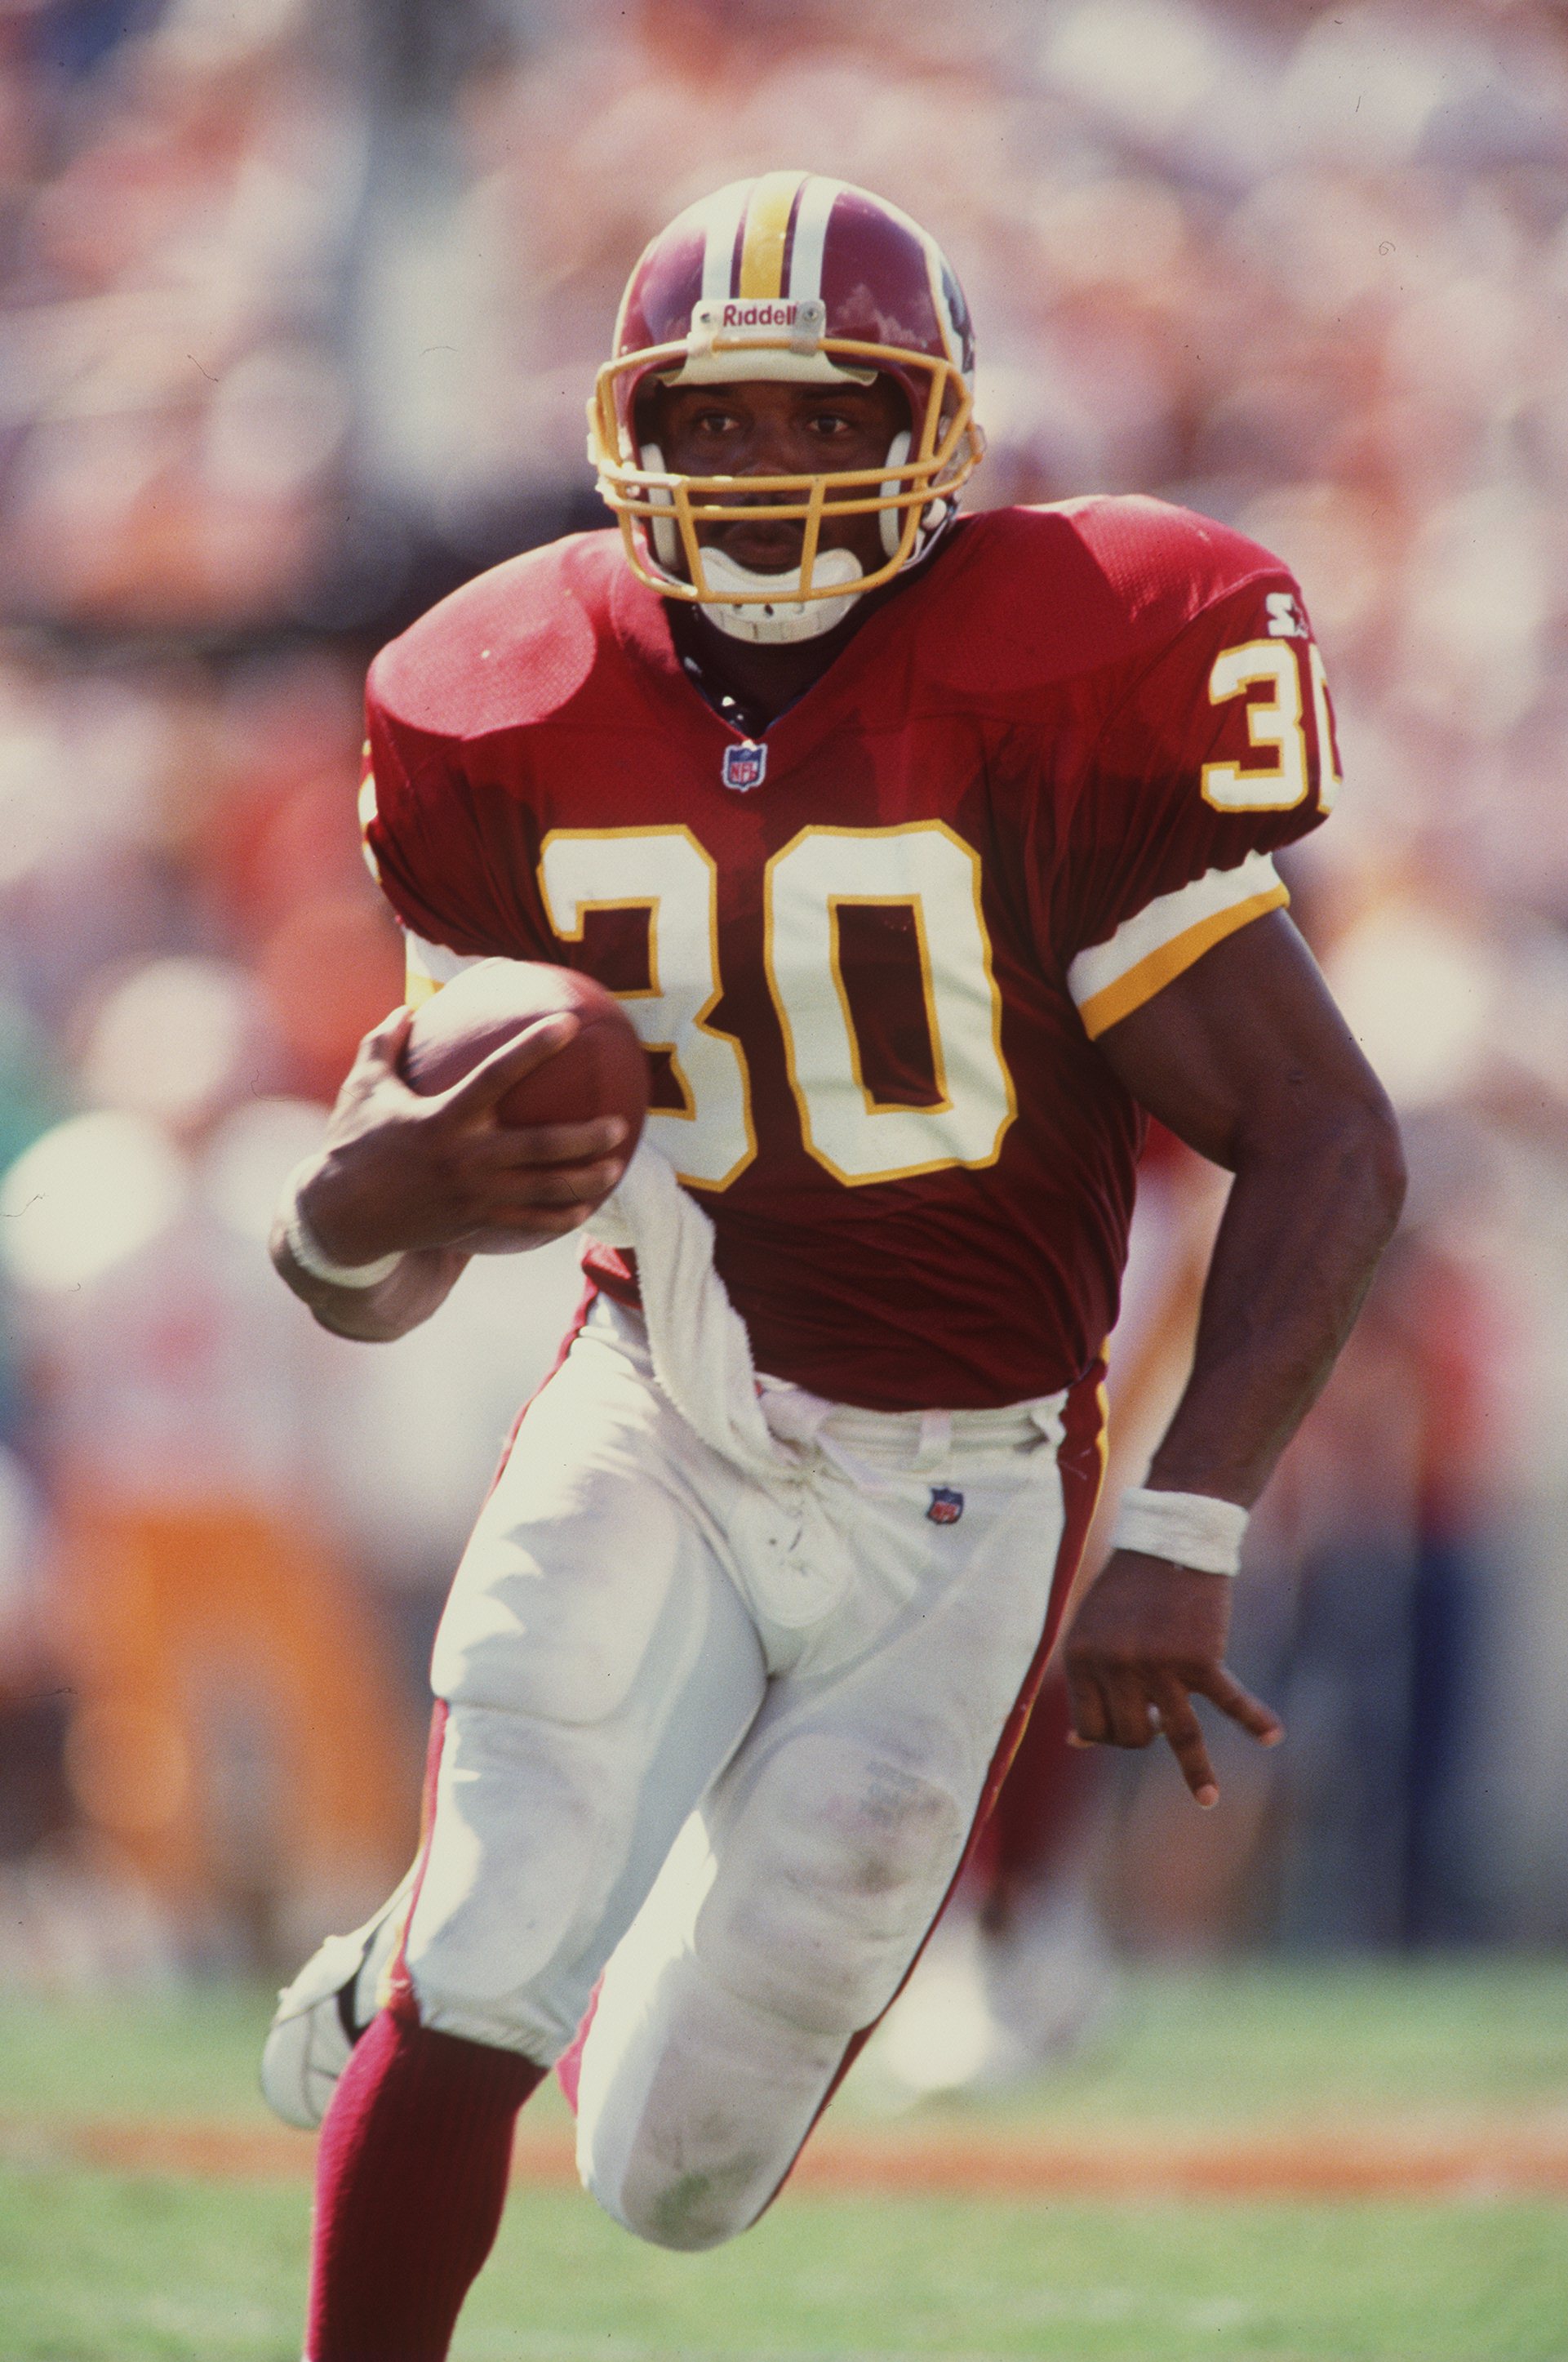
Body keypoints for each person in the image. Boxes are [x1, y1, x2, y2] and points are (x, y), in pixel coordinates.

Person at [263, 173, 1404, 2362]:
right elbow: (356, 1270)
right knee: (487, 1956)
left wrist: (1178, 1523)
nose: (766, 468)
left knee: (674, 2176)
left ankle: (552, 1937)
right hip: (658, 1399)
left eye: (823, 415)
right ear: (632, 438)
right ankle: (459, 1957)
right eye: (717, 422)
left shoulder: (1069, 668)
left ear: (938, 431)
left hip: (962, 1485)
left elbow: (1329, 1132)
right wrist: (360, 1212)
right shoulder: (491, 696)